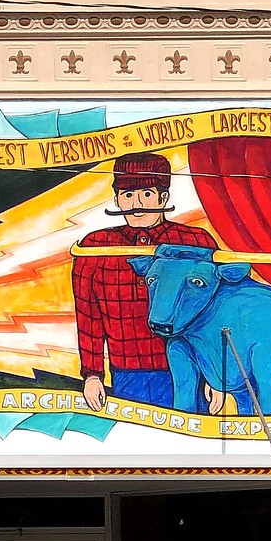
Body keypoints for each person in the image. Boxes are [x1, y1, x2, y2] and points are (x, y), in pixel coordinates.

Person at [72, 152, 219, 412]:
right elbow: (88, 316)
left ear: (163, 197)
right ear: (117, 199)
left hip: (188, 367)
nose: (136, 204)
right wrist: (93, 374)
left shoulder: (194, 241)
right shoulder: (95, 247)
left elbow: (217, 314)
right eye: (128, 195)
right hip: (127, 372)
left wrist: (217, 373)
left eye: (146, 194)